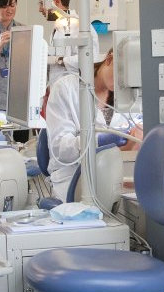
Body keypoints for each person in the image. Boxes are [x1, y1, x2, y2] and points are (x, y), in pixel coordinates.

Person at [44, 49, 115, 201]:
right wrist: (99, 140)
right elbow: (60, 149)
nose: (126, 81)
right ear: (109, 59)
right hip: (74, 177)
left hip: (118, 175)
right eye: (122, 72)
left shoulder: (133, 96)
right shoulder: (66, 88)